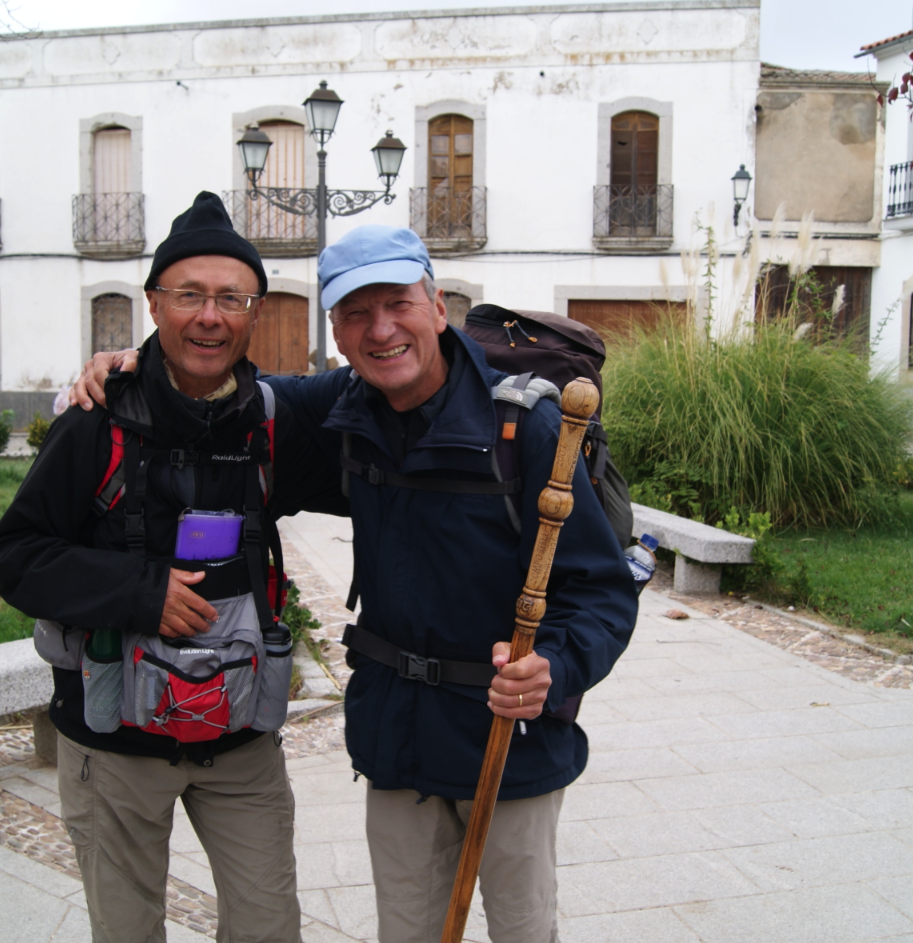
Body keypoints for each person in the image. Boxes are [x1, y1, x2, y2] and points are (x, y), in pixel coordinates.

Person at [73, 225, 638, 943]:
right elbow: (220, 387)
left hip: (509, 741)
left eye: (399, 304)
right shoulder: (343, 407)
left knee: (523, 932)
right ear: (336, 331)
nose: (381, 329)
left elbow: (600, 591)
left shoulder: (524, 426)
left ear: (438, 306)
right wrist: (133, 364)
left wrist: (554, 665)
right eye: (356, 313)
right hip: (399, 741)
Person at [0, 191, 346, 943]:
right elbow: (15, 555)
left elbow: (391, 390)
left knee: (269, 928)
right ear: (153, 304)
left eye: (231, 298)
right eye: (189, 295)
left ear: (255, 313)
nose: (210, 316)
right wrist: (142, 592)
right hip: (114, 742)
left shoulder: (272, 422)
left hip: (239, 739)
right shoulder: (96, 420)